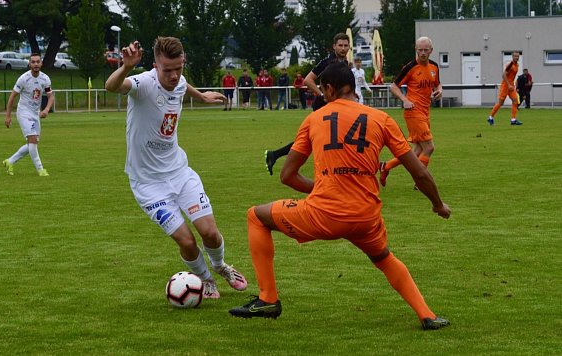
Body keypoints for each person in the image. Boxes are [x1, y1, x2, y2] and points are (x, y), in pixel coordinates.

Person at [229, 62, 451, 331]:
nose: (321, 95)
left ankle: (267, 299)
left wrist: (325, 188)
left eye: (322, 91)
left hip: (323, 215)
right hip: (366, 217)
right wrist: (438, 205)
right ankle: (427, 315)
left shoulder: (313, 119)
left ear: (330, 89)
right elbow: (420, 173)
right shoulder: (381, 119)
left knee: (256, 216)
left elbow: (287, 176)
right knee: (384, 258)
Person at [104, 37, 248, 299]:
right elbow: (112, 86)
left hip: (180, 173)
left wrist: (201, 96)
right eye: (166, 70)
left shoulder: (179, 80)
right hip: (148, 185)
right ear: (154, 65)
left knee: (210, 234)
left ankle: (220, 266)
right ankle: (205, 279)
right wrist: (125, 67)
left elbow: (182, 86)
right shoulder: (144, 84)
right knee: (187, 240)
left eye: (178, 68)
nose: (173, 75)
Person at [265, 32, 351, 175]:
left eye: (346, 45)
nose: (343, 48)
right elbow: (308, 80)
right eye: (340, 45)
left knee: (315, 139)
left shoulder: (344, 63)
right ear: (334, 46)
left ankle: (274, 155)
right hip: (324, 106)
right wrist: (322, 94)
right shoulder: (327, 63)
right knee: (321, 139)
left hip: (336, 106)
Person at [379, 36, 443, 188]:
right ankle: (420, 180)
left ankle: (385, 166)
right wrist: (404, 100)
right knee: (429, 147)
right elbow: (393, 86)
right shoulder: (410, 67)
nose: (422, 53)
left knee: (418, 150)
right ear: (416, 50)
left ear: (431, 51)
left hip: (425, 112)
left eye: (425, 50)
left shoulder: (434, 67)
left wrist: (439, 91)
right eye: (419, 50)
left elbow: (438, 85)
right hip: (413, 112)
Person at [2, 53, 54, 177]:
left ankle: (10, 161)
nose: (35, 64)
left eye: (38, 62)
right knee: (33, 140)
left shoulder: (45, 79)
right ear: (29, 64)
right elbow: (12, 97)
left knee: (33, 142)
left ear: (41, 63)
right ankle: (41, 170)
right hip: (24, 112)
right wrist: (8, 116)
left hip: (35, 113)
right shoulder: (23, 79)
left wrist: (46, 110)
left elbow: (51, 96)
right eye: (33, 62)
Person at [487, 51, 522, 126]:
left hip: (511, 86)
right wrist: (509, 85)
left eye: (518, 56)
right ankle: (490, 117)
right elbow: (503, 75)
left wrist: (512, 84)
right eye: (515, 56)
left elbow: (512, 76)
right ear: (512, 57)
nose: (516, 57)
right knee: (500, 103)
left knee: (515, 101)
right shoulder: (510, 65)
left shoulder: (517, 65)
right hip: (505, 86)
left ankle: (513, 120)